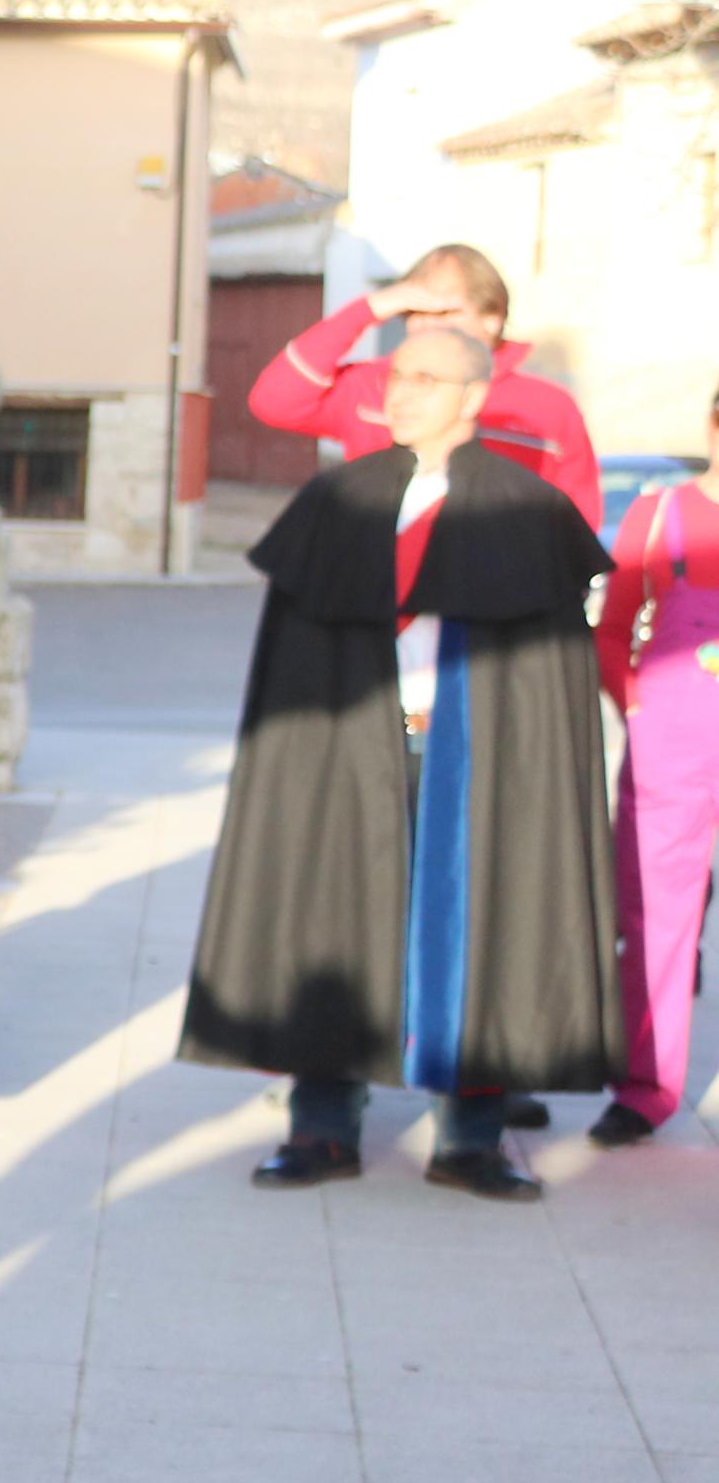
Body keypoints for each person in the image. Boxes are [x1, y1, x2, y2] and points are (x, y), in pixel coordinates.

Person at [185, 325, 619, 1199]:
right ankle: (321, 1128)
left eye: (426, 378)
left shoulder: (525, 511)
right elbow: (293, 659)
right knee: (332, 916)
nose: (402, 390)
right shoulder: (336, 502)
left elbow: (548, 679)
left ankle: (469, 1139)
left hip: (481, 751)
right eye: (396, 375)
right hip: (349, 746)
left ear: (472, 397)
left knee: (485, 923)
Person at [247, 245, 603, 529]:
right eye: (415, 312)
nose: (429, 326)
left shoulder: (547, 407)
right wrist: (368, 309)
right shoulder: (373, 385)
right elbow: (274, 402)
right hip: (379, 585)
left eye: (445, 312)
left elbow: (578, 519)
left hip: (494, 594)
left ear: (491, 319)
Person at [592, 382, 719, 1147]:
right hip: (671, 747)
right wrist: (633, 704)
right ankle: (644, 1087)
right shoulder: (661, 514)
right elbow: (610, 629)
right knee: (653, 921)